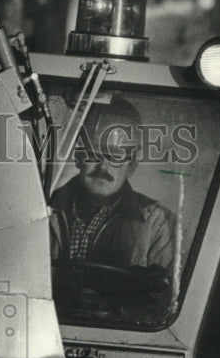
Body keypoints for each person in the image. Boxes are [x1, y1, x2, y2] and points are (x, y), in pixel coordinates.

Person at [48, 97, 176, 312]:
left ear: (132, 165)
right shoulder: (41, 210)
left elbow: (166, 303)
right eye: (93, 154)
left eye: (116, 156)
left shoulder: (157, 222)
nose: (103, 166)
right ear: (78, 157)